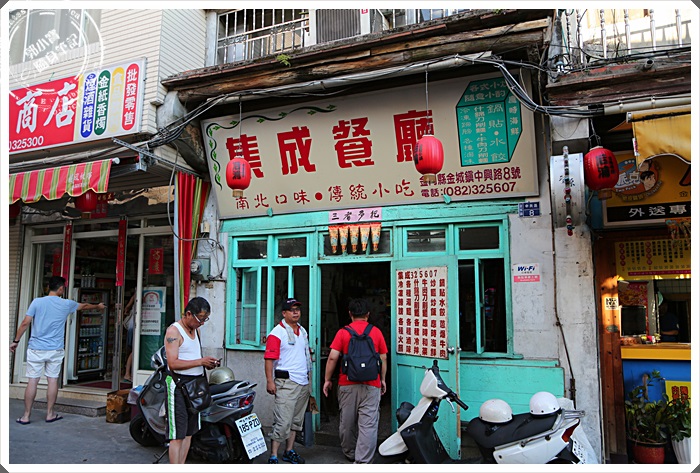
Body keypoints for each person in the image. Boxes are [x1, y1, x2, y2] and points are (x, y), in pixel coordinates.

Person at [10, 275, 105, 425]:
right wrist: (98, 306)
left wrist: (16, 341)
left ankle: (26, 416)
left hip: (36, 348)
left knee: (32, 381)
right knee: (52, 380)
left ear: (49, 287)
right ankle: (50, 414)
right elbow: (84, 306)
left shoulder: (37, 302)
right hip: (55, 349)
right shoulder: (66, 304)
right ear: (61, 288)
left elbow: (25, 323)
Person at [322, 298, 388, 463]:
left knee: (347, 422)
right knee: (368, 425)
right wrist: (382, 379)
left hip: (347, 384)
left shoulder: (343, 332)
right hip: (371, 384)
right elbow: (383, 358)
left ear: (350, 313)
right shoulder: (376, 332)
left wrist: (327, 380)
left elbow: (332, 358)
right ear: (368, 314)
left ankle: (350, 452)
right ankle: (362, 460)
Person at [163, 296, 220, 464]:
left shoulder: (196, 331)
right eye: (200, 319)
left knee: (189, 433)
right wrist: (201, 362)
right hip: (178, 386)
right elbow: (173, 363)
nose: (201, 323)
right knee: (177, 435)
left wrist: (207, 364)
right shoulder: (174, 332)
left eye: (205, 319)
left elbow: (193, 357)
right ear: (188, 314)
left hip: (195, 387)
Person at [264, 297, 311, 464]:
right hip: (286, 383)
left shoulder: (302, 331)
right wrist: (270, 381)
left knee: (296, 422)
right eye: (292, 310)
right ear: (284, 313)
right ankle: (273, 455)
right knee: (282, 421)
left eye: (297, 309)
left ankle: (289, 451)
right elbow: (269, 359)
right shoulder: (277, 333)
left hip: (302, 382)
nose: (296, 312)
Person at [122, 292, 136, 382]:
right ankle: (127, 373)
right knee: (134, 350)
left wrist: (127, 308)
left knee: (132, 350)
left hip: (133, 326)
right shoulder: (140, 294)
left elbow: (127, 307)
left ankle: (128, 372)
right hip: (134, 327)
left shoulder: (136, 296)